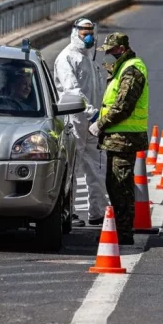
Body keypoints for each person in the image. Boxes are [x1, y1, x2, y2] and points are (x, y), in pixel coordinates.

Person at [88, 33, 148, 244]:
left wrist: (100, 124)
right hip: (117, 137)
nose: (109, 54)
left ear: (121, 49)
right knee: (114, 184)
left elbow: (123, 106)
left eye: (112, 51)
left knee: (121, 185)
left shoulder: (132, 69)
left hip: (125, 138)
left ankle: (124, 233)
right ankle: (120, 231)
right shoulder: (123, 66)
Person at [53, 19, 107, 226]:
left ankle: (97, 212)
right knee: (72, 166)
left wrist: (98, 114)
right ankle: (69, 211)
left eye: (91, 32)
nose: (89, 36)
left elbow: (96, 91)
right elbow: (72, 90)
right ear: (76, 33)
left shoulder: (89, 59)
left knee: (96, 166)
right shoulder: (67, 58)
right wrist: (92, 113)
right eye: (85, 32)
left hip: (92, 121)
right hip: (73, 117)